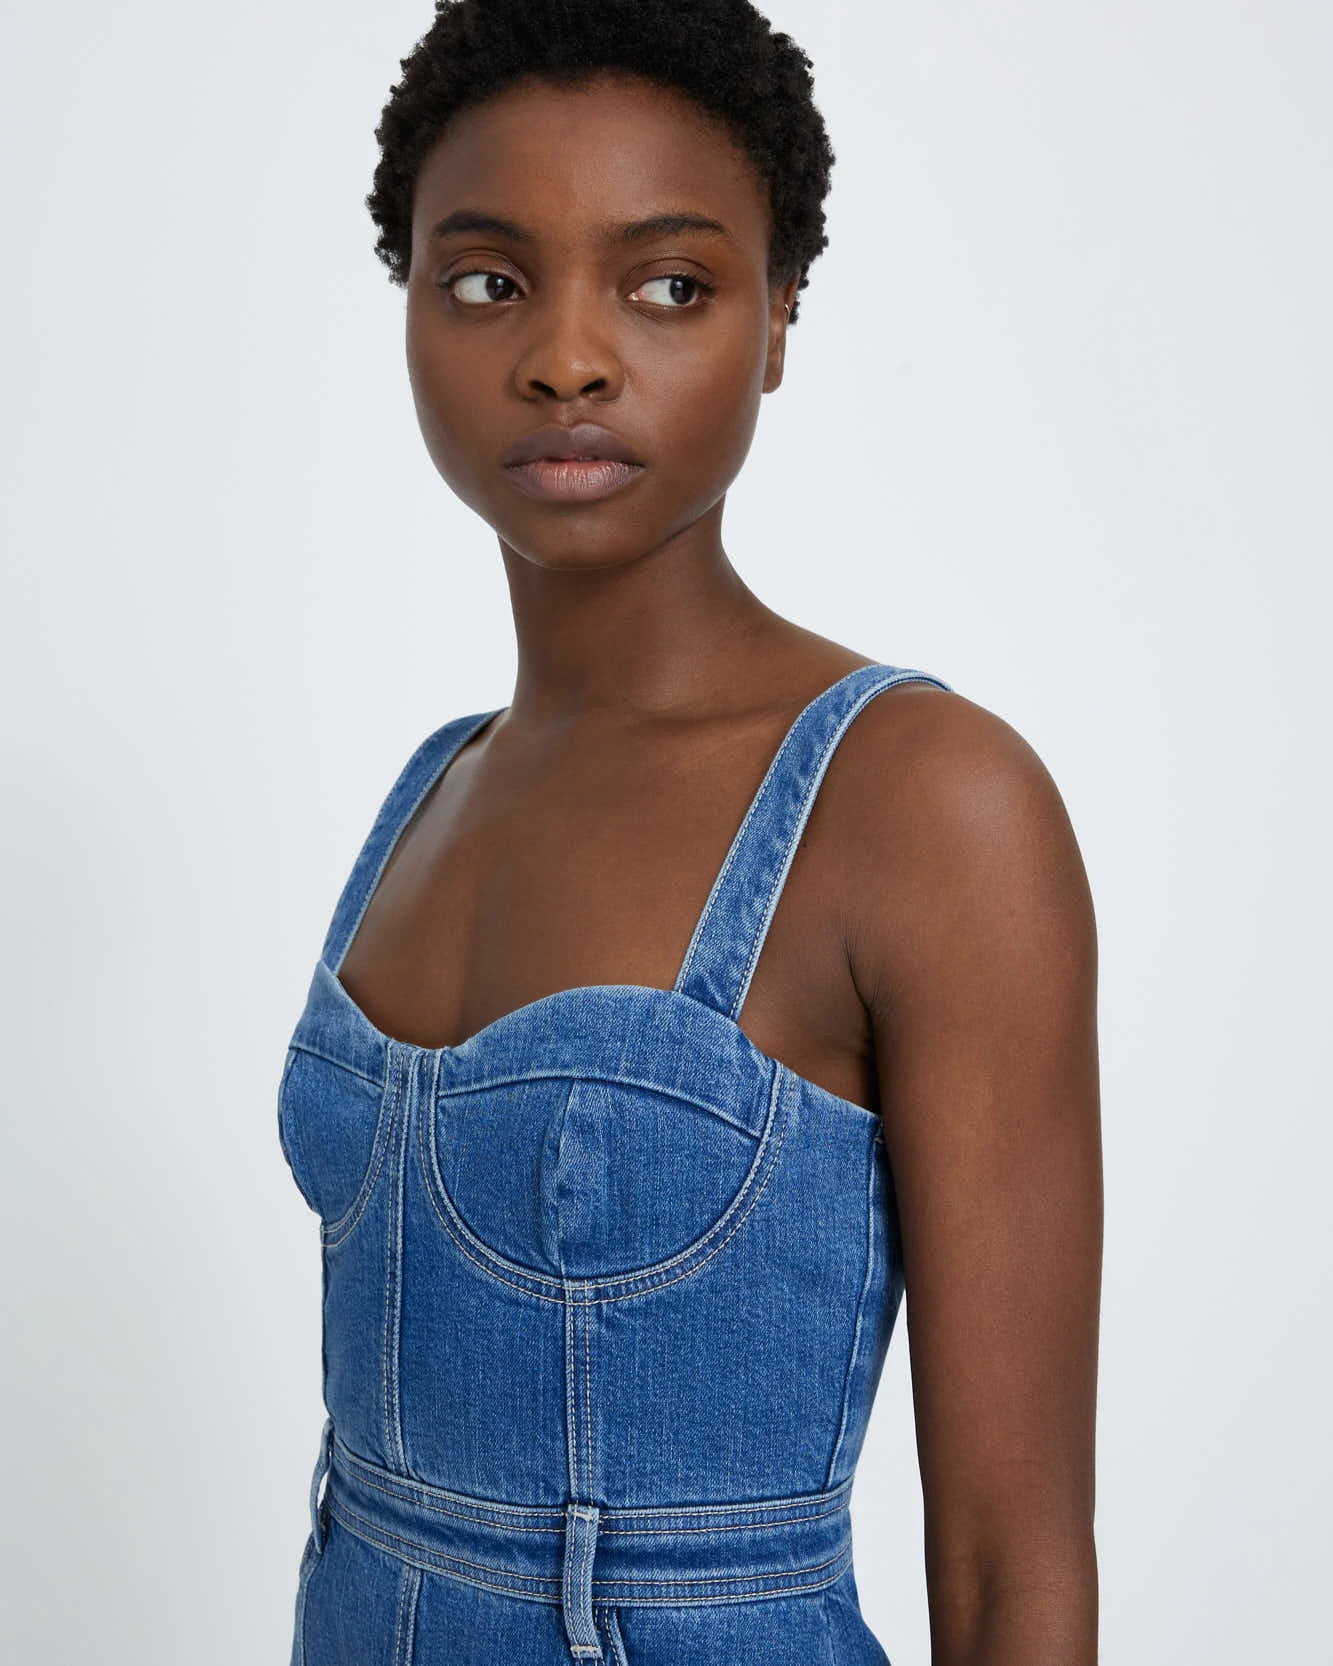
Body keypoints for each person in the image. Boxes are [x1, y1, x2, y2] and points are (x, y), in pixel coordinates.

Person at [277, 2, 1103, 1662]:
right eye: (488, 280)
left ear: (779, 317)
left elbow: (1013, 1563)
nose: (568, 358)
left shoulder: (924, 804)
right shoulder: (432, 789)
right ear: (410, 300)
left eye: (666, 284)